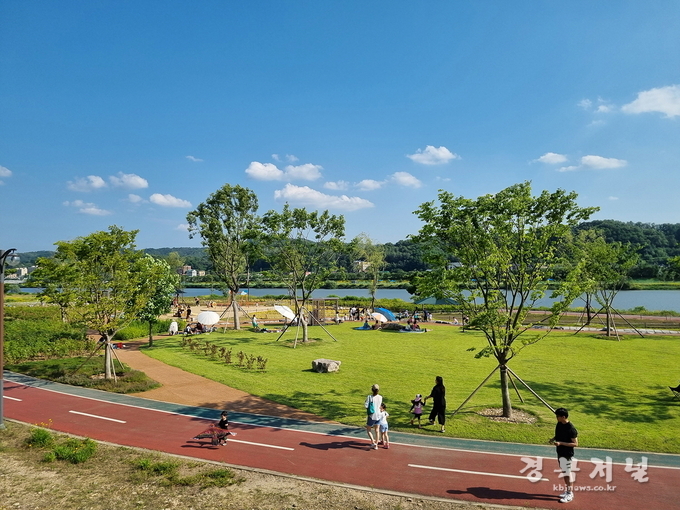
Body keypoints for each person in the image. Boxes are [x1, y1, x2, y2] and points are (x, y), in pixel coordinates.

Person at [550, 408, 578, 504]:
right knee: (565, 473)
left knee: (567, 473)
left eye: (557, 416)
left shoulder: (571, 429)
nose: (556, 418)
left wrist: (560, 443)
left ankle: (570, 493)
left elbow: (575, 444)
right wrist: (553, 438)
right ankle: (567, 491)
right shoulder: (559, 424)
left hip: (567, 454)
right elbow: (559, 435)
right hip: (560, 452)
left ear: (563, 417)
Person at [364, 384, 383, 450]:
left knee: (368, 429)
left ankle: (373, 441)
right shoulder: (380, 397)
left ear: (372, 390)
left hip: (372, 415)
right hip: (378, 415)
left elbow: (366, 406)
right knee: (377, 430)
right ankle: (376, 444)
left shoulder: (369, 397)